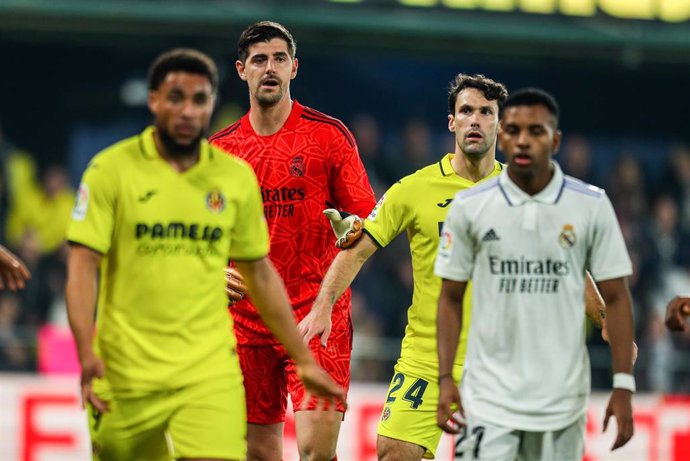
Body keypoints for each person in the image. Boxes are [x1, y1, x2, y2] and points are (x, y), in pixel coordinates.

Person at [65, 48, 345, 461]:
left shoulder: (232, 176)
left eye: (200, 100)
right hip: (126, 370)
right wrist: (85, 353)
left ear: (212, 103)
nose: (188, 111)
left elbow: (260, 273)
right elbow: (82, 269)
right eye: (176, 98)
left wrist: (302, 358)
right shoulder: (110, 172)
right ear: (154, 101)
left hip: (208, 371)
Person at [436, 88, 636, 460]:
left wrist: (623, 384)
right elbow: (449, 297)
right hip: (487, 399)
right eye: (514, 130)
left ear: (555, 139)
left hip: (562, 401)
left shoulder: (590, 204)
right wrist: (446, 378)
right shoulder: (470, 207)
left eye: (537, 131)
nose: (524, 140)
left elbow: (618, 295)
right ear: (503, 136)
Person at [209, 22, 376, 461]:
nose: (270, 68)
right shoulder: (219, 153)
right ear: (242, 70)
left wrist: (353, 230)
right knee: (259, 453)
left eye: (279, 58)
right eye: (260, 60)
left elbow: (368, 224)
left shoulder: (327, 136)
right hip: (245, 321)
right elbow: (196, 237)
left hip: (315, 314)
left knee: (314, 452)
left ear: (294, 68)